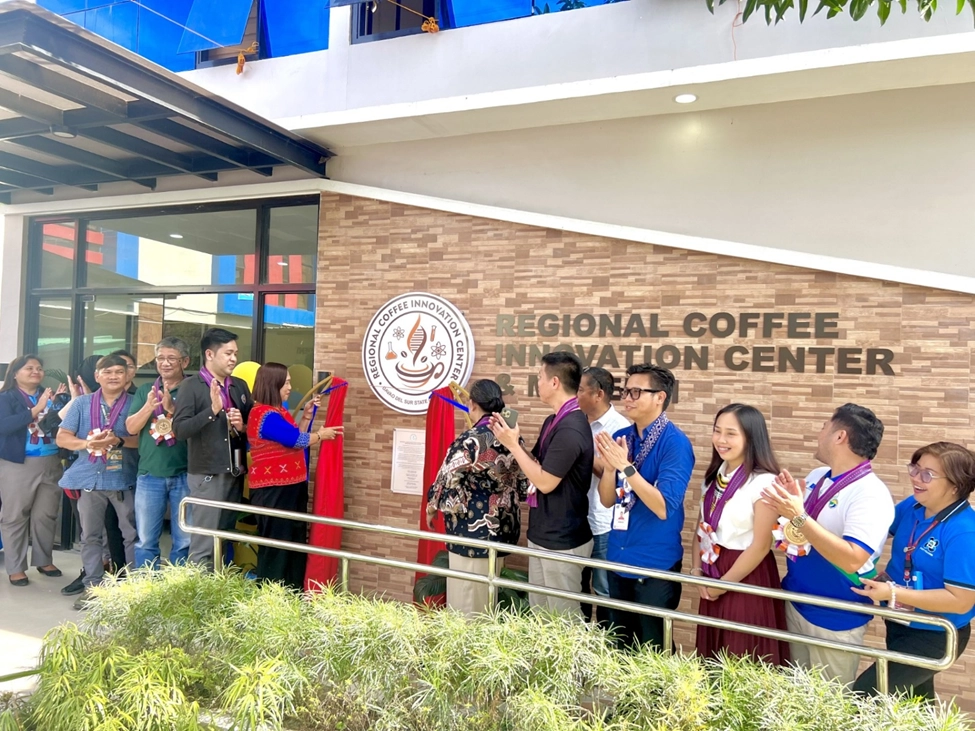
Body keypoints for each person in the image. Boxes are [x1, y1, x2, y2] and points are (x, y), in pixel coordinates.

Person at [762, 403, 894, 686]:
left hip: (836, 616)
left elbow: (852, 559)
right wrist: (790, 504)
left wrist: (798, 514)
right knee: (792, 699)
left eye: (824, 426)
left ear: (840, 436)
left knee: (827, 707)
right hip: (797, 602)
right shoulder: (816, 477)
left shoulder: (870, 493)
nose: (819, 432)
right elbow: (802, 533)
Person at [852, 442, 975, 700]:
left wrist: (893, 592)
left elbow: (961, 601)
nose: (916, 478)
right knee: (914, 705)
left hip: (936, 634)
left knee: (863, 696)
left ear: (955, 485)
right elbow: (872, 535)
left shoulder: (964, 531)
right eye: (915, 469)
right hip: (900, 623)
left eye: (927, 474)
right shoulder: (913, 506)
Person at [595, 364, 694, 650]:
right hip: (618, 555)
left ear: (660, 397)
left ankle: (656, 698)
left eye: (636, 392)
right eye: (625, 391)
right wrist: (611, 469)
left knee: (653, 651)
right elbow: (606, 500)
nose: (627, 398)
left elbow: (663, 506)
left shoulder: (675, 443)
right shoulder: (622, 437)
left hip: (654, 564)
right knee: (621, 647)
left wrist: (625, 467)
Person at [490, 351, 594, 616]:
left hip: (562, 540)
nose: (538, 382)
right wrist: (511, 439)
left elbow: (546, 482)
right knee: (541, 618)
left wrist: (512, 445)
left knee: (563, 622)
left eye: (540, 377)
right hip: (543, 533)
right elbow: (536, 462)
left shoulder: (571, 427)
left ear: (555, 382)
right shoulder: (553, 420)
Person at [691, 403, 789, 664]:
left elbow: (760, 545)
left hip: (746, 576)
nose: (721, 440)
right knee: (713, 659)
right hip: (712, 572)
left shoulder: (764, 482)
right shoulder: (715, 475)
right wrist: (697, 572)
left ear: (751, 438)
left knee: (742, 657)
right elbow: (700, 529)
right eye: (717, 431)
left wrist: (722, 585)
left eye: (731, 433)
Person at [427, 379, 529, 615]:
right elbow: (523, 479)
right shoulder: (513, 437)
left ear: (472, 404)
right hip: (503, 530)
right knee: (489, 600)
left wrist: (432, 507)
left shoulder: (471, 439)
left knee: (466, 606)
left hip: (472, 534)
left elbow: (447, 477)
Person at [56, 354, 138, 608]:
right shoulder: (81, 404)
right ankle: (93, 587)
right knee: (90, 536)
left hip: (123, 478)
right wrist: (87, 443)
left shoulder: (136, 404)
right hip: (89, 479)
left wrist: (119, 440)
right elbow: (62, 437)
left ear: (127, 376)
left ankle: (134, 590)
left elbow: (145, 440)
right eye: (107, 371)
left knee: (132, 535)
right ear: (97, 376)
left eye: (118, 372)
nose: (113, 376)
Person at [247, 363, 339, 590]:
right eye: (286, 382)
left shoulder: (279, 412)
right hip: (274, 492)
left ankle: (291, 593)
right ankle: (272, 597)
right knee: (278, 546)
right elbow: (296, 441)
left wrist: (307, 417)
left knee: (293, 543)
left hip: (289, 489)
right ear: (273, 384)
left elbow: (296, 436)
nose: (290, 386)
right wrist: (321, 434)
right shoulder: (263, 414)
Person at [173, 328, 252, 570]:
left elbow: (253, 427)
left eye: (235, 353)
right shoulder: (191, 386)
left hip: (235, 471)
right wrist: (212, 411)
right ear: (209, 354)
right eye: (228, 353)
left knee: (225, 536)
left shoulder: (239, 386)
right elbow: (179, 430)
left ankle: (219, 591)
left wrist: (243, 424)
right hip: (207, 473)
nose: (233, 359)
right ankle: (198, 599)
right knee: (204, 542)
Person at [124, 337, 192, 568]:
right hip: (149, 474)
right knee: (145, 539)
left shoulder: (193, 389)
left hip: (185, 473)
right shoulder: (145, 390)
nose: (165, 363)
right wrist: (149, 407)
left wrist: (172, 408)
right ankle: (146, 589)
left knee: (184, 539)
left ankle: (177, 588)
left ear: (185, 361)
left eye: (171, 358)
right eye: (160, 358)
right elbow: (131, 428)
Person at [0, 355, 66, 586]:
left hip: (50, 460)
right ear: (15, 373)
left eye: (39, 368)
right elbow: (4, 426)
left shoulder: (49, 396)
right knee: (15, 516)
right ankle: (16, 567)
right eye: (29, 368)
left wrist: (61, 404)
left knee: (46, 515)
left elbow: (62, 424)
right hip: (18, 464)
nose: (36, 371)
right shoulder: (5, 397)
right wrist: (36, 409)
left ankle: (43, 560)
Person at [575, 366, 629, 625]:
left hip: (603, 523)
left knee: (605, 591)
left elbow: (621, 478)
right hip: (575, 522)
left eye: (581, 390)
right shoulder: (576, 420)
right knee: (577, 589)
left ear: (598, 394)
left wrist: (583, 453)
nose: (576, 395)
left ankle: (609, 651)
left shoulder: (620, 429)